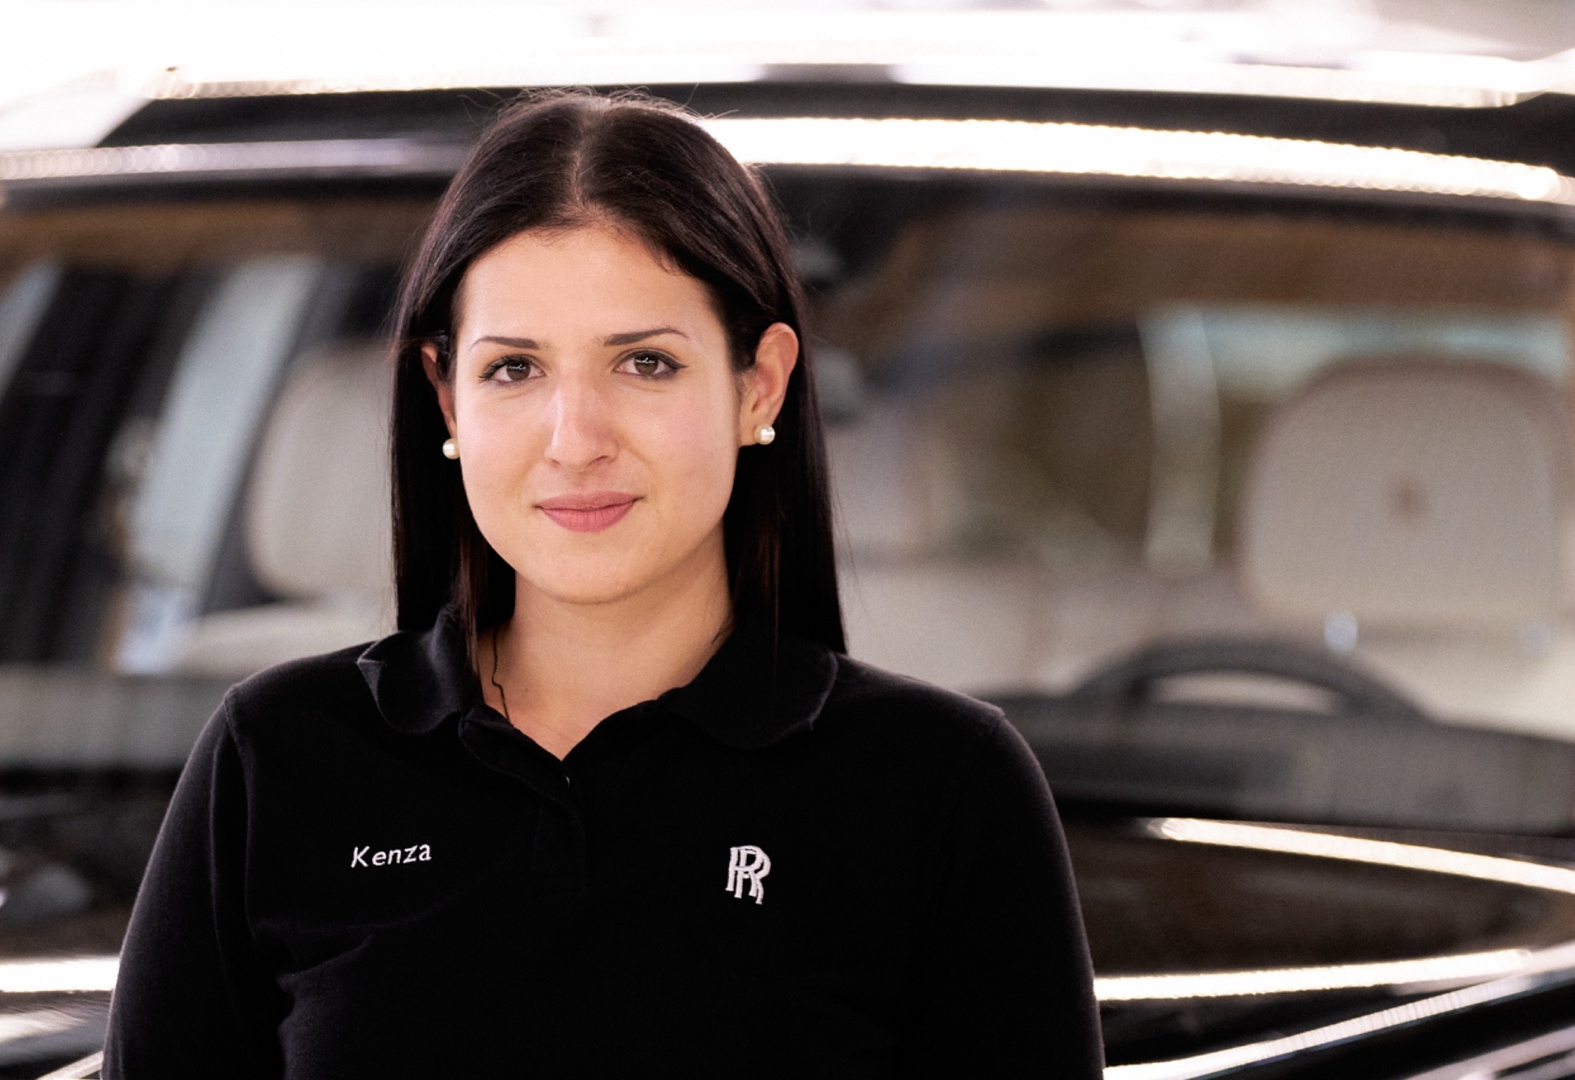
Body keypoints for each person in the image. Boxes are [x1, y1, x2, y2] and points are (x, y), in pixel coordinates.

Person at [104, 90, 1103, 1078]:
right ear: (443, 396)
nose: (576, 440)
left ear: (759, 384)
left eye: (646, 364)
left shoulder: (942, 789)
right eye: (514, 371)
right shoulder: (276, 762)